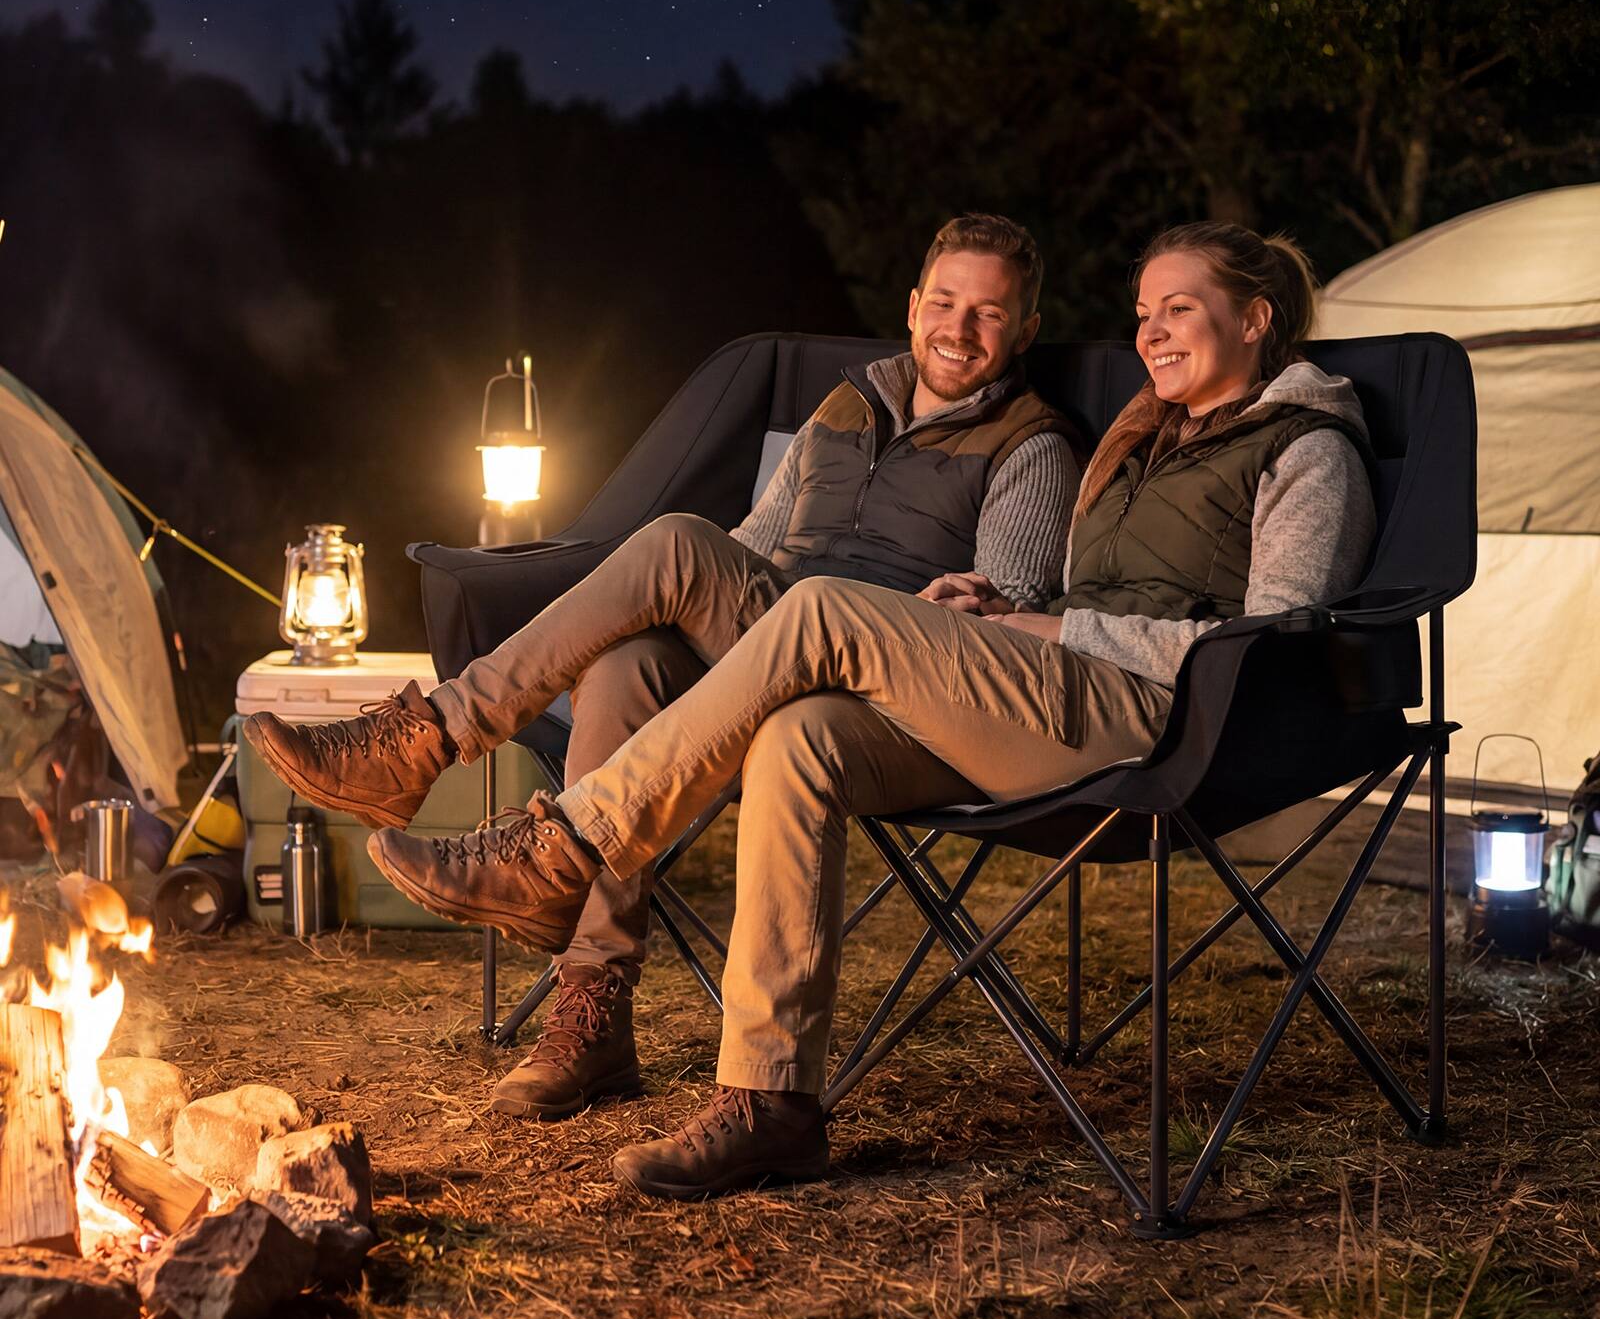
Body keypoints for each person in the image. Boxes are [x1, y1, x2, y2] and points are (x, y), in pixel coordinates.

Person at [324, 220, 1377, 1201]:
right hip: (1040, 692)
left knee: (814, 603)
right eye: (1144, 311)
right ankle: (771, 1100)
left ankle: (558, 839)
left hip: (1159, 718)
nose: (1150, 331)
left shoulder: (1305, 447)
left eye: (1179, 309)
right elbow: (1069, 589)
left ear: (1255, 319)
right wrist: (1000, 608)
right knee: (801, 735)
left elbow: (1273, 642)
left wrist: (1051, 628)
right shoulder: (1144, 436)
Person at [245, 212, 1082, 1122]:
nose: (960, 329)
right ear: (914, 306)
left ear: (1025, 332)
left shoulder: (1031, 446)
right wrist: (683, 601)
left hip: (877, 677)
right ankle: (594, 1010)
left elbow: (996, 631)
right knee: (627, 667)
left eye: (989, 314)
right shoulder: (844, 409)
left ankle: (425, 740)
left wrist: (953, 602)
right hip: (769, 646)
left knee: (679, 544)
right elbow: (753, 546)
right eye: (947, 303)